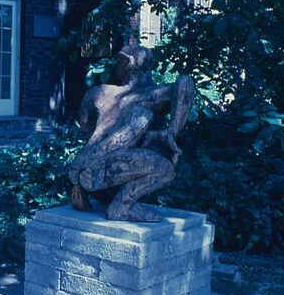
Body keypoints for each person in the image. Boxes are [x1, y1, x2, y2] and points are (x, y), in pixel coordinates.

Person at [68, 43, 194, 222]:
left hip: (87, 169)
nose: (116, 64)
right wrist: (171, 132)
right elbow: (185, 83)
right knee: (166, 169)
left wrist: (169, 132)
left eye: (121, 60)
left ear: (133, 64)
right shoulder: (105, 93)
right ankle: (121, 206)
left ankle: (103, 191)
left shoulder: (103, 93)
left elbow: (88, 131)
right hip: (101, 171)